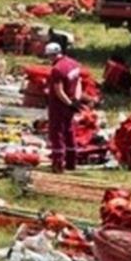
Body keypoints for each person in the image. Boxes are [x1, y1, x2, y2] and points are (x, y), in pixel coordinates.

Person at [46, 42, 83, 172]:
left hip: (59, 105)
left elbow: (58, 90)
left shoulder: (57, 69)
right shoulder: (74, 64)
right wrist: (76, 101)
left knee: (57, 133)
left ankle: (58, 163)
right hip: (71, 103)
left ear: (51, 55)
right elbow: (79, 82)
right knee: (69, 131)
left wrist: (68, 103)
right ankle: (71, 162)